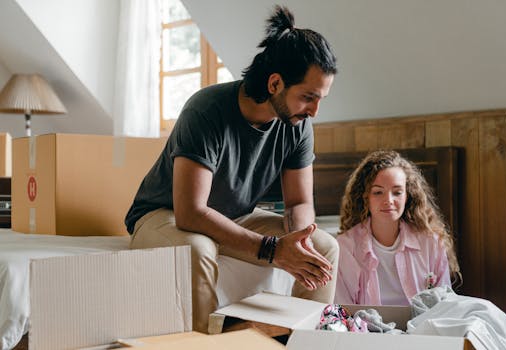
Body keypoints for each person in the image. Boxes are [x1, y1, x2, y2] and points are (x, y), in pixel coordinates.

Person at [125, 5, 339, 333]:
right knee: (198, 248)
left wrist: (299, 242)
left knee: (325, 246)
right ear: (275, 83)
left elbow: (298, 203)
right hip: (163, 215)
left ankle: (302, 339)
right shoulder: (206, 110)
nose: (315, 110)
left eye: (320, 98)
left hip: (232, 216)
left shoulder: (297, 124)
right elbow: (190, 214)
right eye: (308, 97)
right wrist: (272, 250)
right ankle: (204, 343)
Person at [335, 150, 461, 306]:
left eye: (397, 192)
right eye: (378, 192)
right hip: (365, 328)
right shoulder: (345, 247)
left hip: (422, 326)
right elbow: (342, 309)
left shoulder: (431, 242)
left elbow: (444, 303)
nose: (388, 200)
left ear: (407, 196)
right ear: (365, 197)